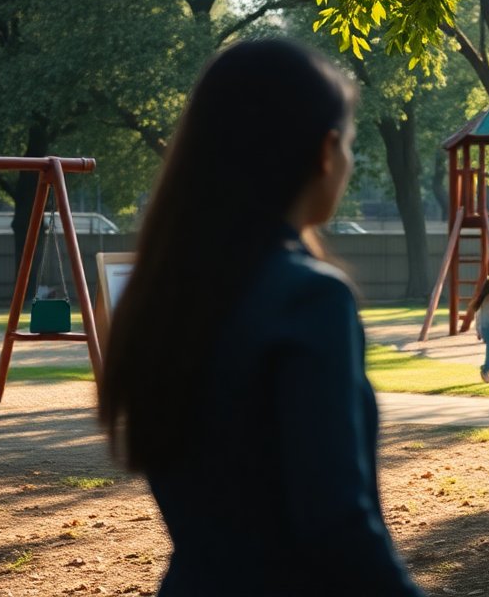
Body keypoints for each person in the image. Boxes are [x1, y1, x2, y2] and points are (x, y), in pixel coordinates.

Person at [97, 39, 423, 596]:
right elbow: (337, 528)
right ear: (326, 151)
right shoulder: (310, 298)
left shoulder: (164, 292)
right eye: (349, 144)